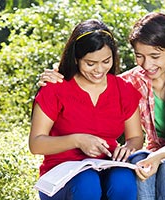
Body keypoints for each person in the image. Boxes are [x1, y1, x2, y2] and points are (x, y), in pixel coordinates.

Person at [37, 12, 165, 200]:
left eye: (155, 56)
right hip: (158, 159)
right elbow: (97, 80)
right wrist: (56, 74)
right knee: (140, 166)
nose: (147, 64)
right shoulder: (134, 80)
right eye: (139, 56)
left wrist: (155, 157)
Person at [29, 19, 144, 200]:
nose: (99, 70)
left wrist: (129, 148)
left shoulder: (124, 90)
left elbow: (136, 137)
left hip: (107, 166)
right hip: (62, 174)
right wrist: (77, 140)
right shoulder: (55, 88)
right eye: (90, 63)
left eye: (106, 61)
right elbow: (36, 144)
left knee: (124, 181)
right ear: (76, 59)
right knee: (87, 183)